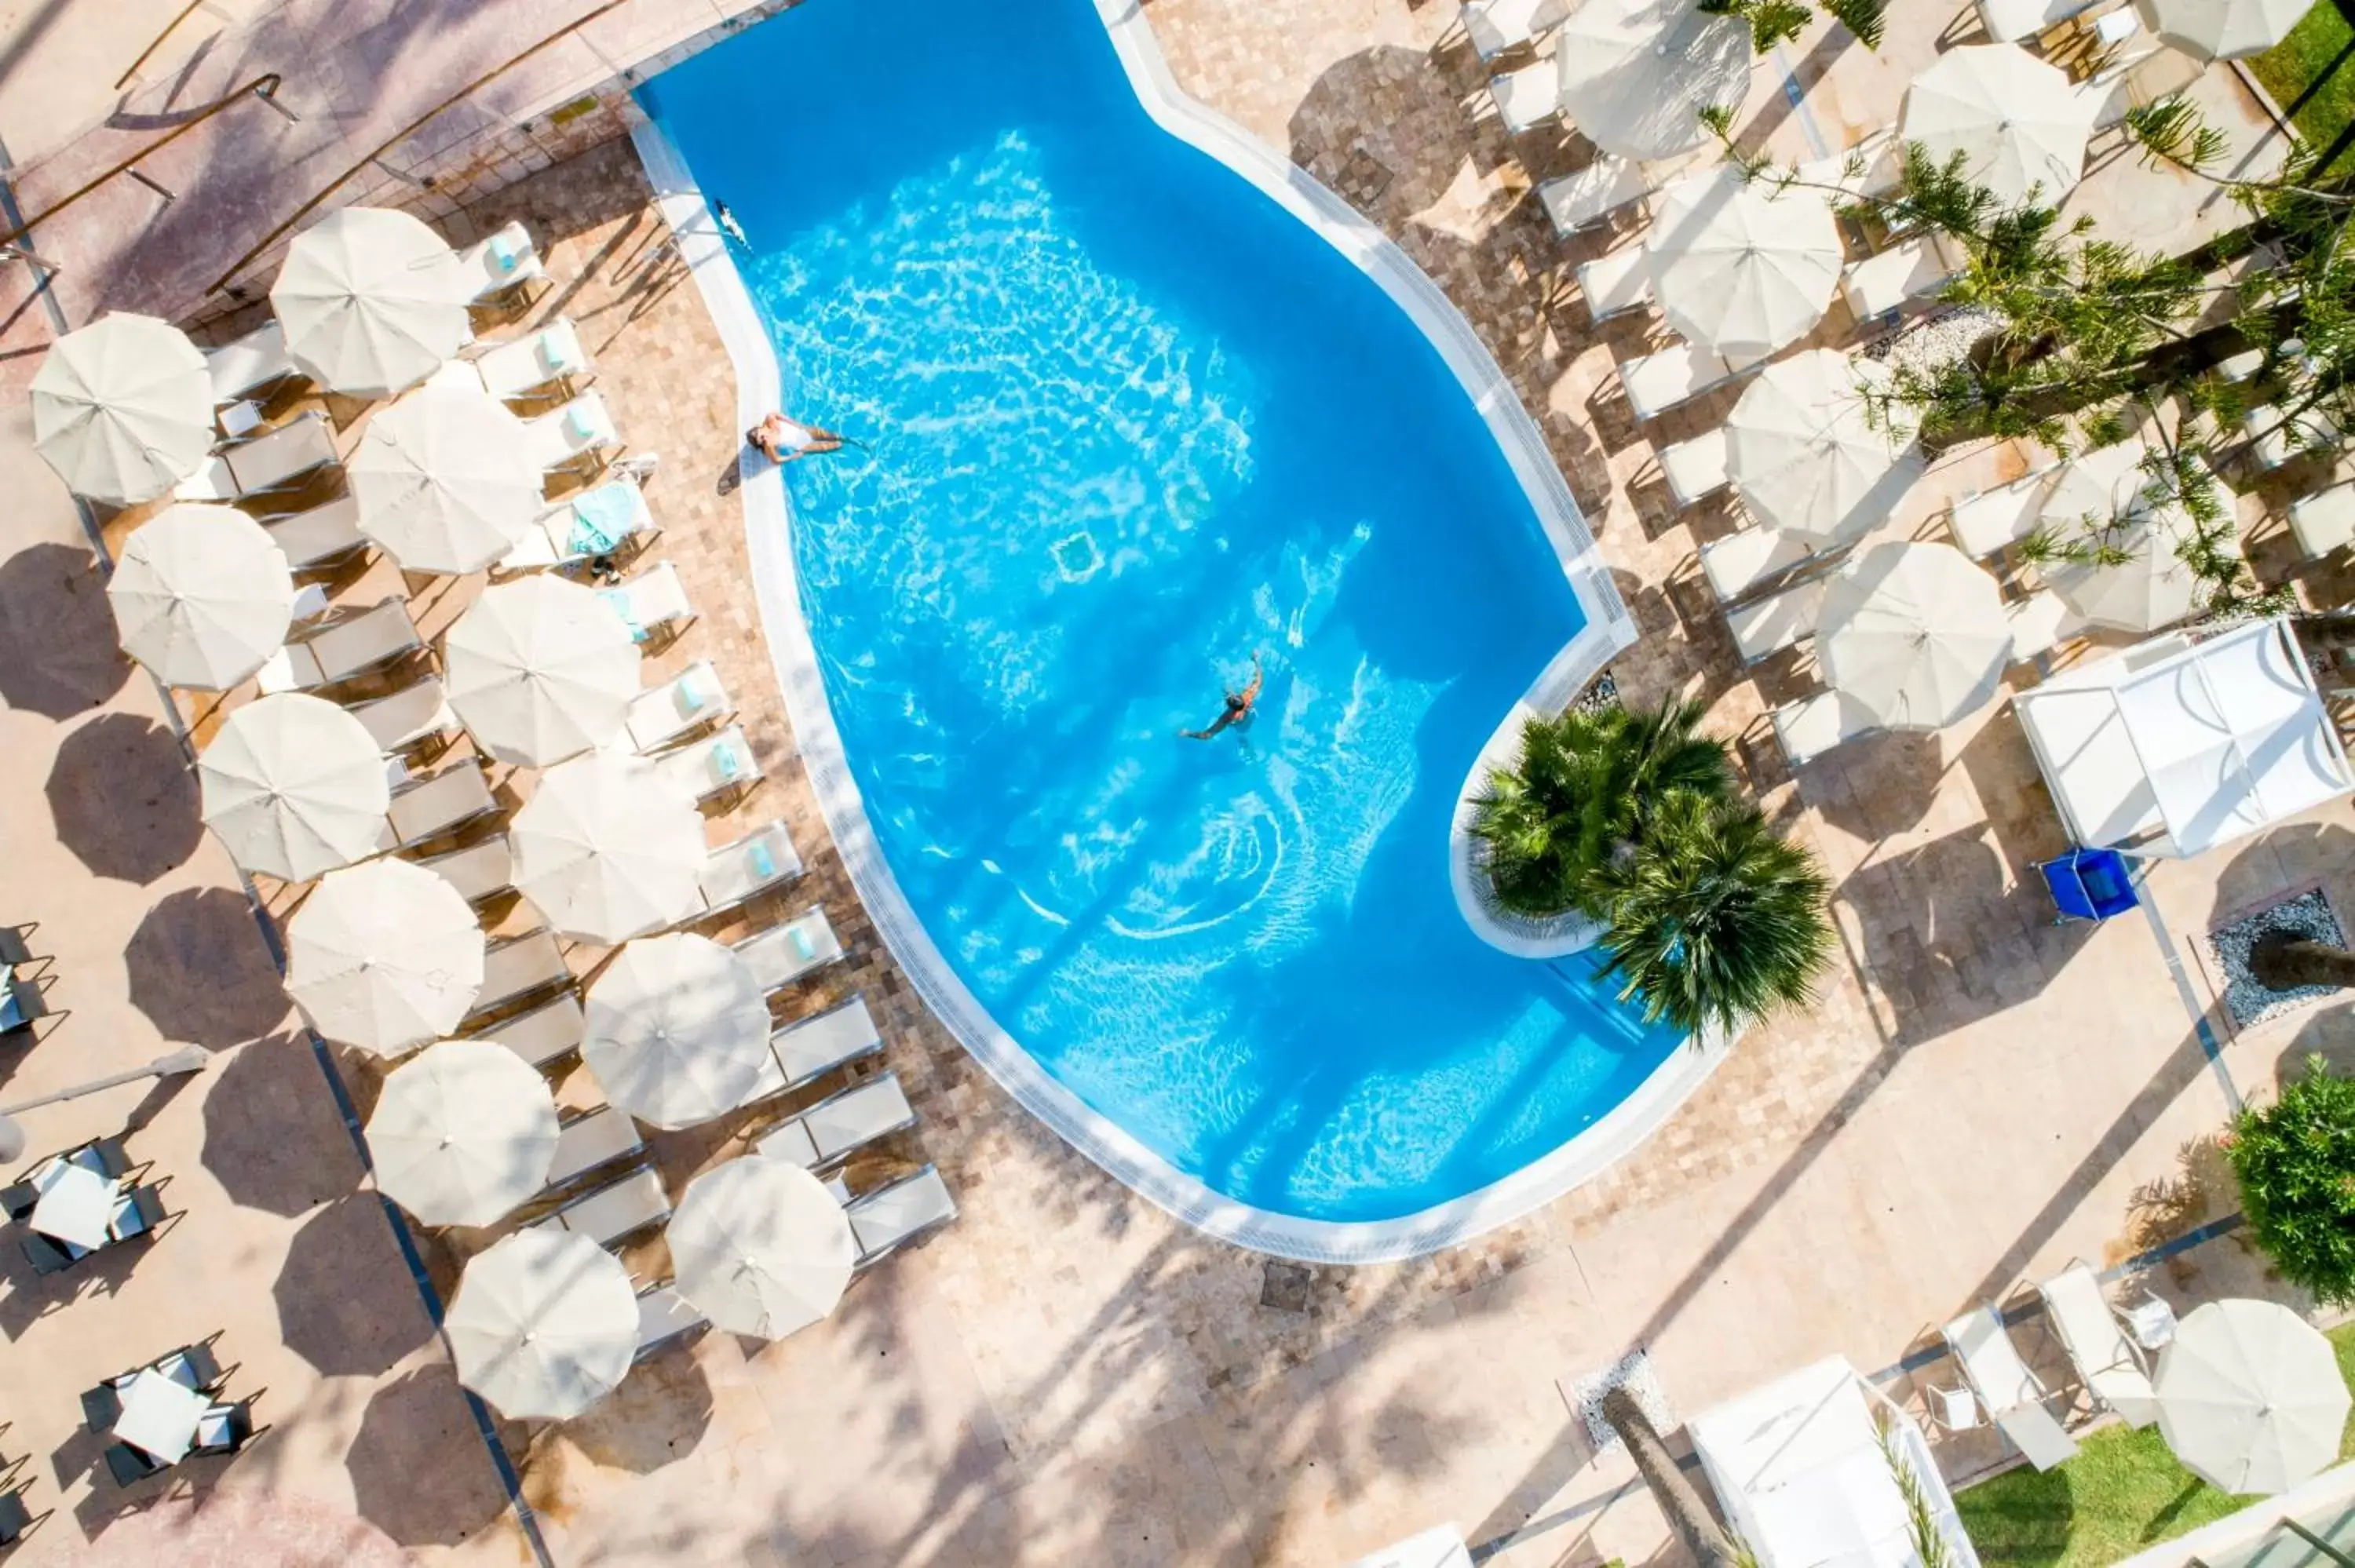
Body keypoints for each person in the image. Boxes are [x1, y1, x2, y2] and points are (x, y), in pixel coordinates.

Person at [1182, 655, 1262, 741]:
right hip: (1252, 716)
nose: (1231, 694)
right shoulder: (1247, 697)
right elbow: (1259, 680)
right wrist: (1256, 660)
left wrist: (1188, 733)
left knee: (1241, 735)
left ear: (1229, 707)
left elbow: (1207, 735)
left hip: (1241, 728)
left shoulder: (1228, 717)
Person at [747, 410, 844, 464]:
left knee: (832, 436)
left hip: (801, 430)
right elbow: (776, 459)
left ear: (759, 429)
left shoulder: (770, 419)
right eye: (761, 442)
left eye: (761, 437)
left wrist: (795, 424)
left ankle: (851, 441)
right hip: (801, 444)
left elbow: (777, 415)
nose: (764, 439)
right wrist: (792, 456)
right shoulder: (769, 444)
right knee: (831, 446)